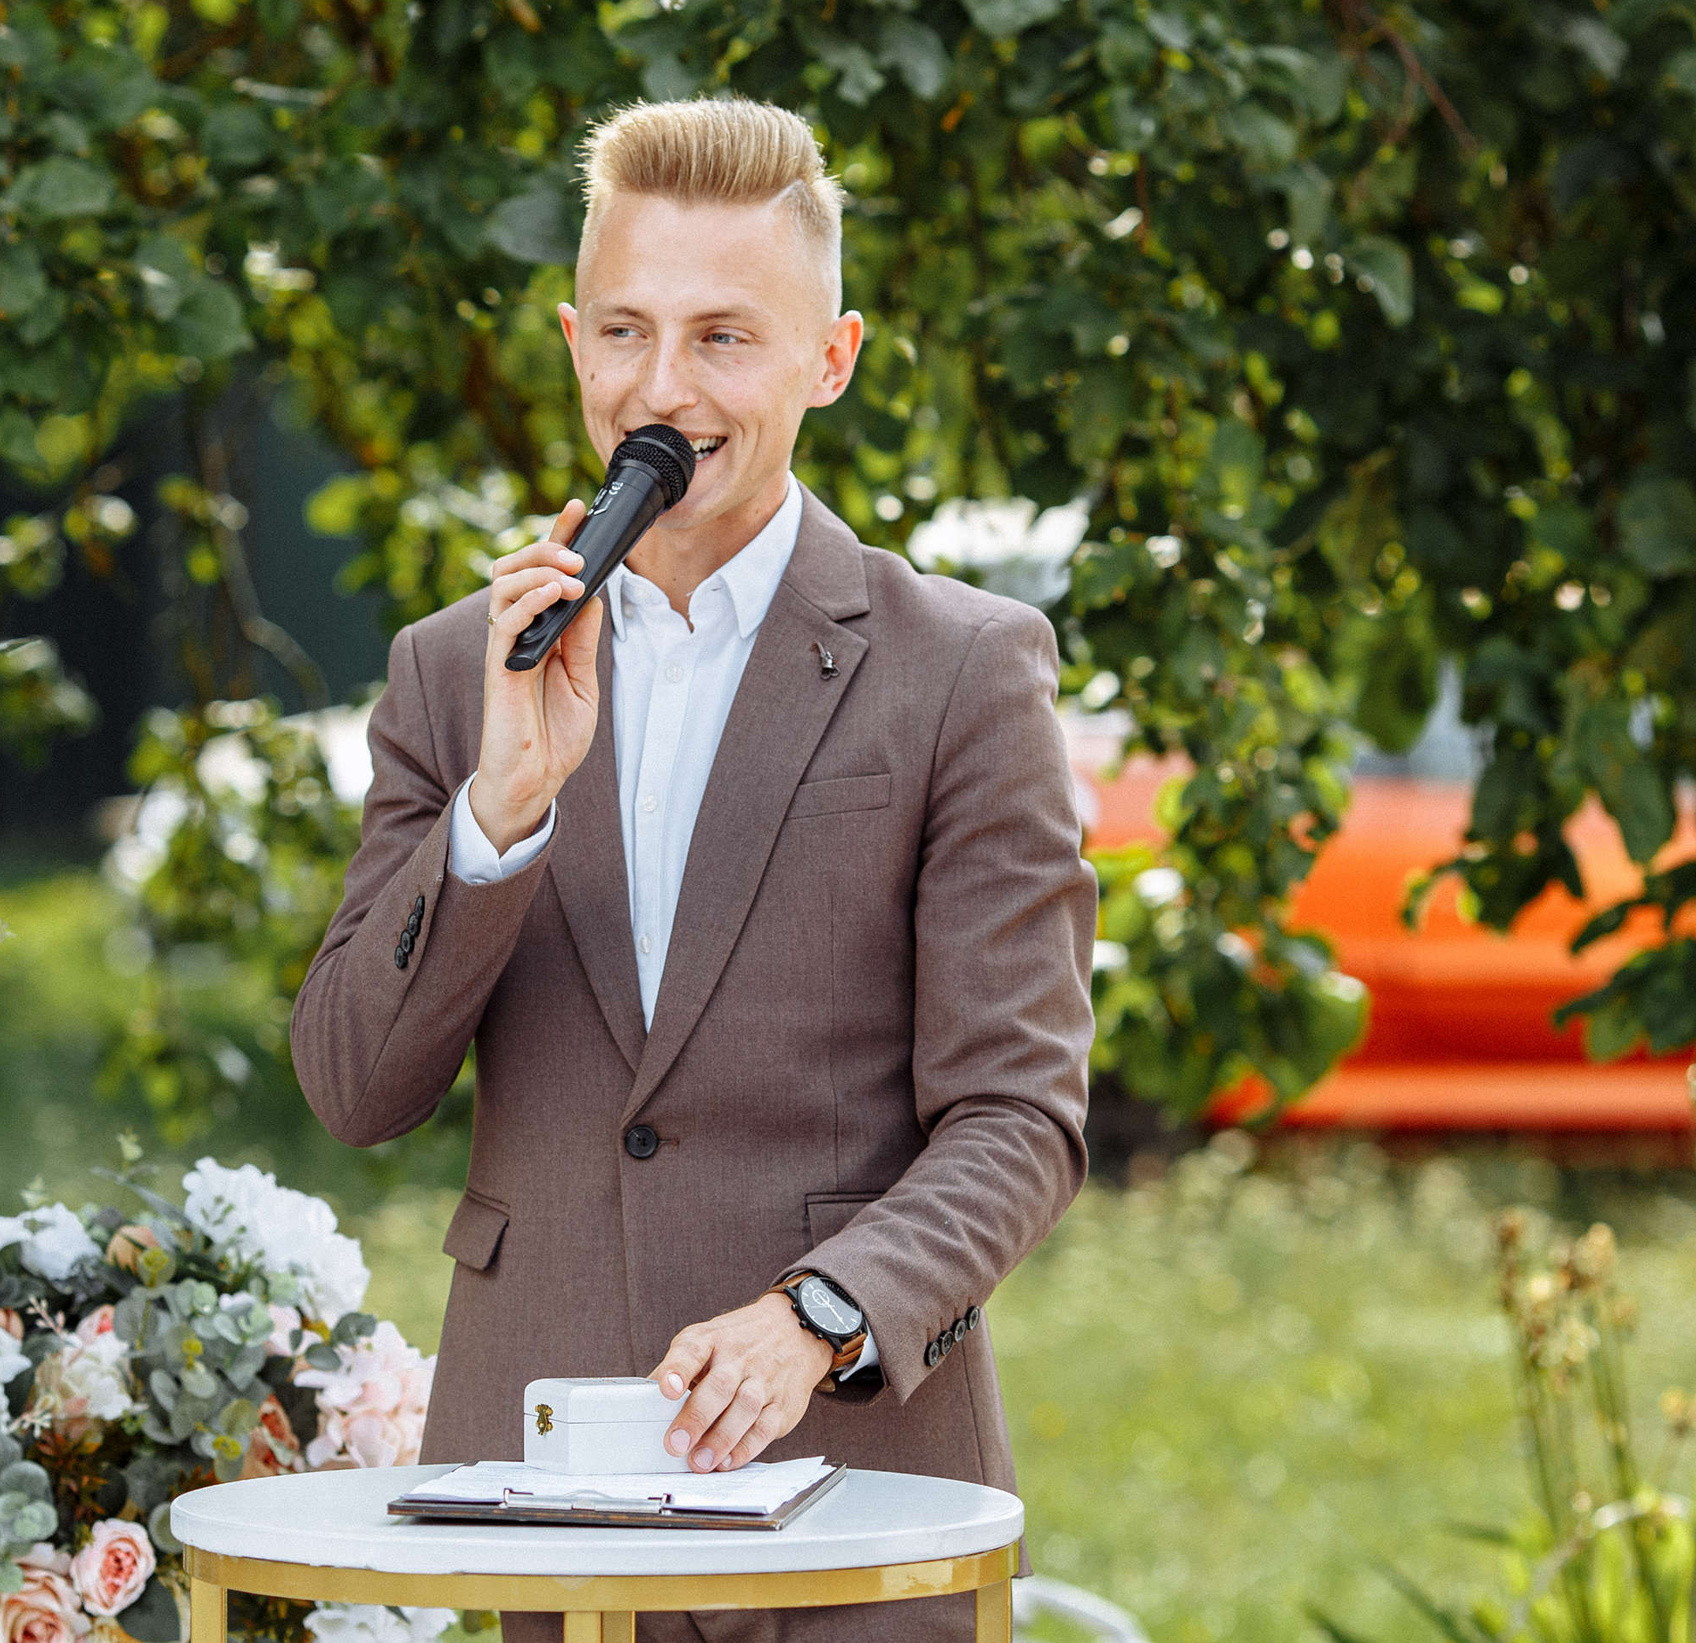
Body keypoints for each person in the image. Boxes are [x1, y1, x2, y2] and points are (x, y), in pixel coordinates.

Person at [291, 97, 1097, 1643]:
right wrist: (499, 809)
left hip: (858, 1496)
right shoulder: (455, 669)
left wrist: (818, 1318)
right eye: (624, 333)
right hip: (531, 1507)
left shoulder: (965, 670)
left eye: (726, 337)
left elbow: (1019, 1118)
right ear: (572, 343)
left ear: (832, 359)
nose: (661, 389)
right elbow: (353, 1089)